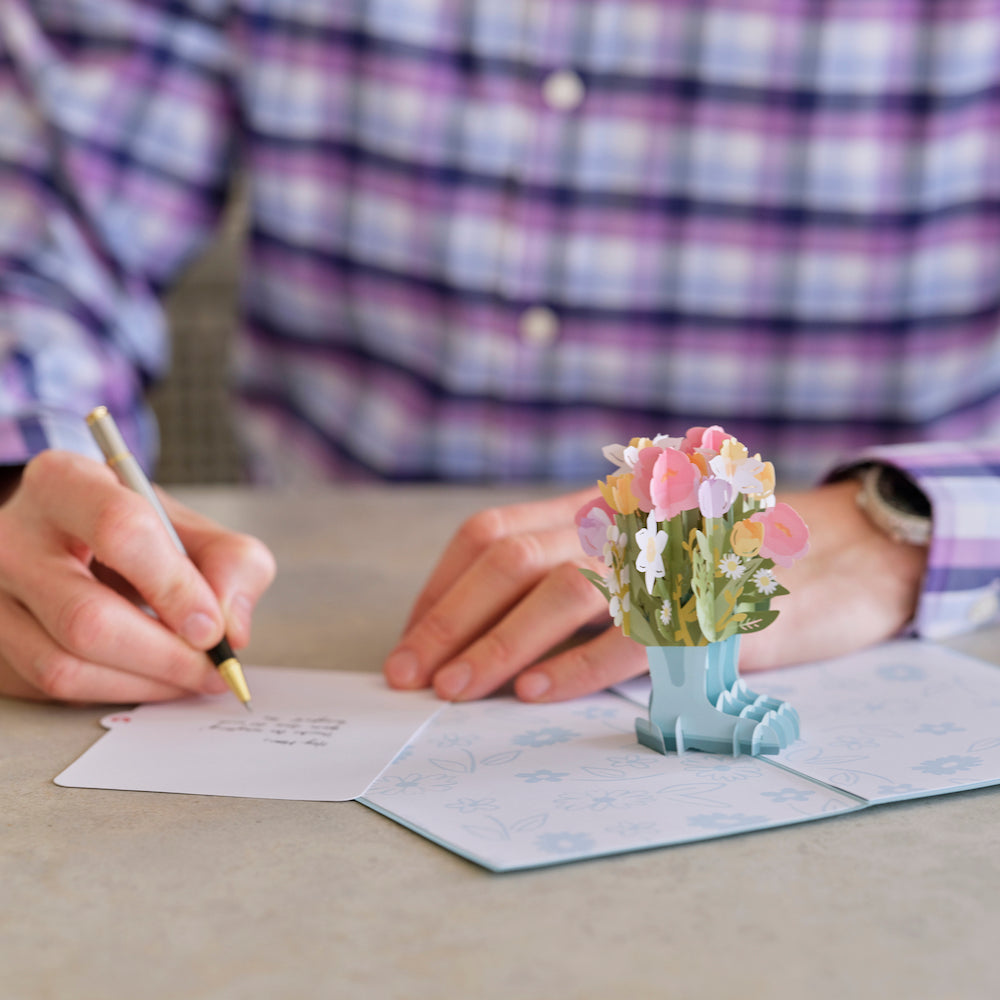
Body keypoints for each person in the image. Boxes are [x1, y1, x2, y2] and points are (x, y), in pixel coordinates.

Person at [1, 1, 998, 705]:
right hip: (348, 637)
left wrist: (895, 523)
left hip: (886, 656)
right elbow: (39, 239)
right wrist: (21, 475)